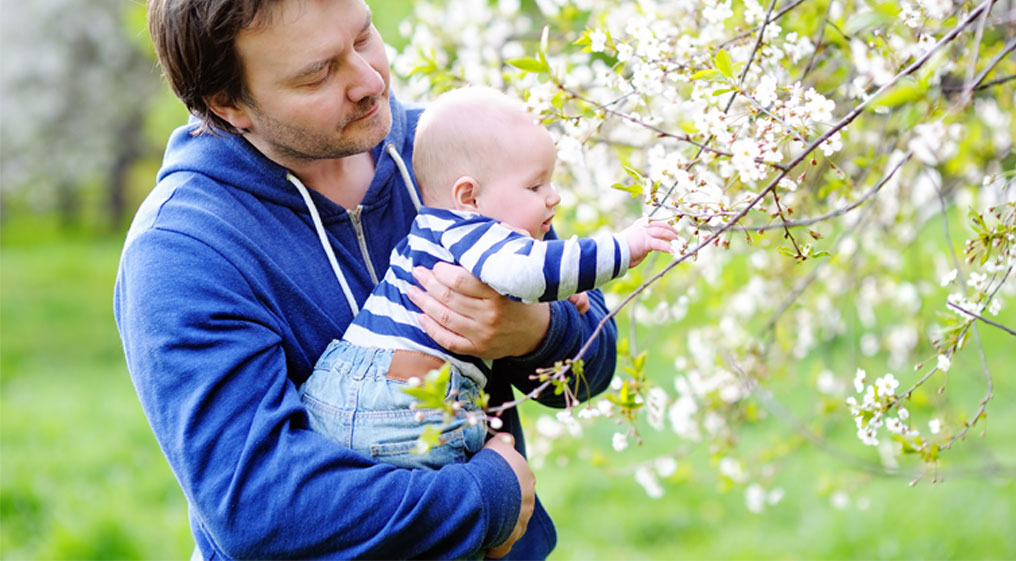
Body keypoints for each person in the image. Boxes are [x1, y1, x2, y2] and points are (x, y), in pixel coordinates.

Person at [114, 0, 620, 558]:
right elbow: (260, 506)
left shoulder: (448, 157)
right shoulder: (184, 250)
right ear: (229, 103)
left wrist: (533, 331)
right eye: (318, 73)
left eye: (363, 36)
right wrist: (487, 500)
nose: (369, 79)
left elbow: (592, 366)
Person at [299, 86, 677, 470]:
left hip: (340, 388)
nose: (554, 198)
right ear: (469, 196)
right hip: (401, 400)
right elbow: (529, 272)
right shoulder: (475, 232)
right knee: (449, 493)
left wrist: (551, 307)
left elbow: (556, 303)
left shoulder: (441, 227)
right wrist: (626, 247)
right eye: (535, 186)